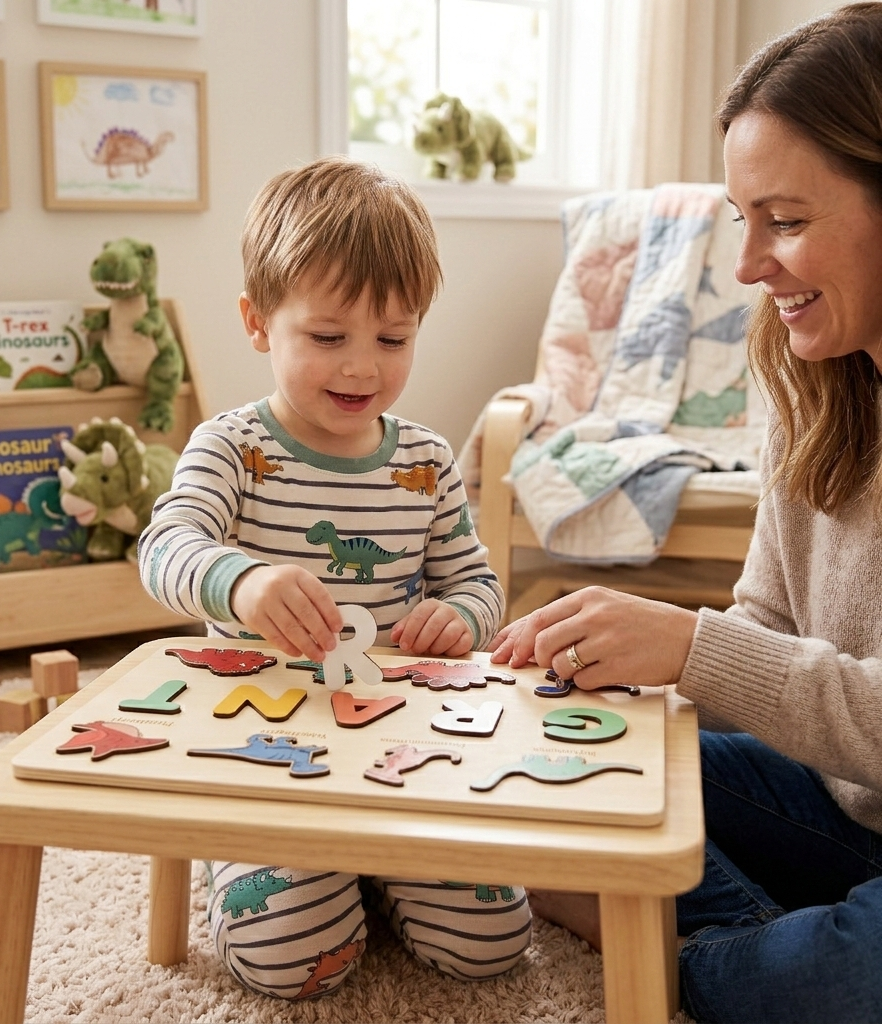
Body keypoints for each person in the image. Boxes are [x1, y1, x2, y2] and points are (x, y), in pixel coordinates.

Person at [490, 5, 882, 1022]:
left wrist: (689, 646)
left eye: (783, 221)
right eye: (742, 217)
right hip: (844, 801)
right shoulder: (817, 384)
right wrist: (612, 675)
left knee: (849, 973)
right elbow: (768, 627)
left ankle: (670, 952)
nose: (747, 264)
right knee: (567, 762)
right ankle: (740, 951)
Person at [138, 157, 531, 1000]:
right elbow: (164, 547)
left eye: (393, 340)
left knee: (492, 941)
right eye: (327, 338)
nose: (361, 368)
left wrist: (462, 618)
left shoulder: (426, 462)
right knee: (292, 960)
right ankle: (247, 858)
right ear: (257, 322)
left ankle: (377, 865)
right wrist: (240, 582)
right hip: (265, 752)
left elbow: (479, 583)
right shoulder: (231, 447)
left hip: (405, 750)